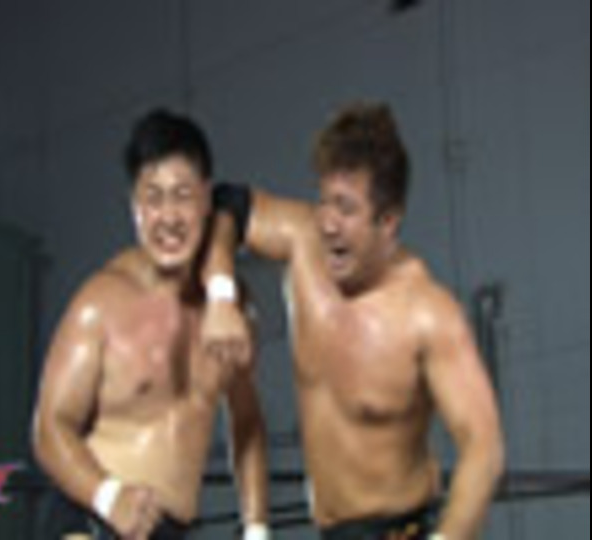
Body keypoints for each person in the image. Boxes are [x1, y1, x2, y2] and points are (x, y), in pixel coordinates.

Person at [202, 103, 504, 539]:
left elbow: (483, 448)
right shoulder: (302, 242)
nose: (327, 223)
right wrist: (220, 296)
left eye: (345, 209)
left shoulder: (428, 314)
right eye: (324, 201)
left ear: (388, 221)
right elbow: (226, 204)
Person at [33, 109, 270, 540]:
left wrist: (256, 529)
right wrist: (107, 497)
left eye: (182, 195)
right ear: (135, 207)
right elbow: (49, 428)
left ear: (206, 199)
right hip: (93, 517)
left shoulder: (230, 309)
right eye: (153, 198)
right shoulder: (101, 302)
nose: (168, 217)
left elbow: (247, 421)